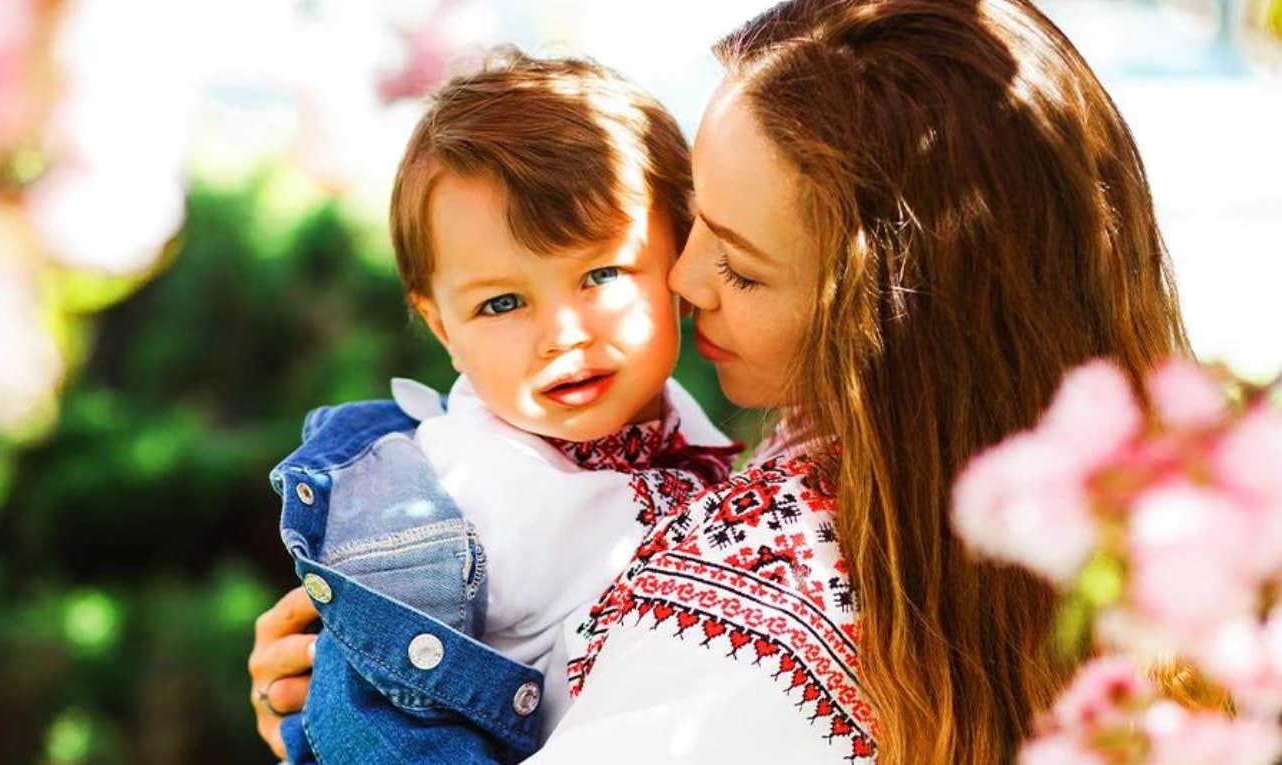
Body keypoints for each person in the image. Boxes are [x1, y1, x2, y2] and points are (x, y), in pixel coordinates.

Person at [249, 0, 1190, 761]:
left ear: (893, 318)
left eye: (739, 264)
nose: (686, 281)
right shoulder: (1144, 543)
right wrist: (342, 691)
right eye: (699, 225)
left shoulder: (743, 626)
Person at [264, 50, 741, 764]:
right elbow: (379, 723)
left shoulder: (702, 442)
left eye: (600, 273)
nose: (562, 334)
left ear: (679, 251)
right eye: (502, 303)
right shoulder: (448, 500)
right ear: (442, 329)